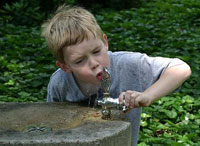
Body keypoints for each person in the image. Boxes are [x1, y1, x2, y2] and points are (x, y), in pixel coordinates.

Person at [41, 5, 191, 146]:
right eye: (80, 61)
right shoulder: (60, 84)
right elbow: (53, 126)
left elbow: (180, 68)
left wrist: (148, 96)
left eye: (96, 52)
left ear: (105, 43)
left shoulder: (128, 65)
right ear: (65, 66)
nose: (94, 63)